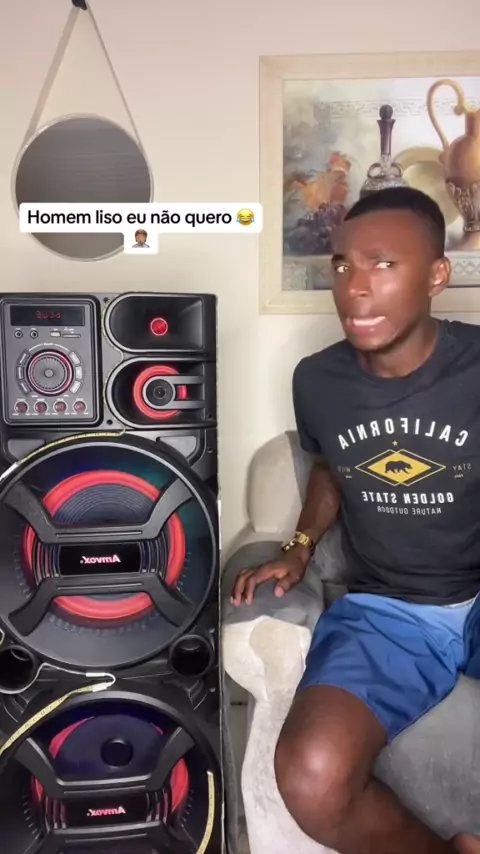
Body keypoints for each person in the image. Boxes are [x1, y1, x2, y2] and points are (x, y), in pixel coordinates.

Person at [231, 186, 480, 854]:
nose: (355, 287)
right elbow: (329, 466)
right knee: (312, 776)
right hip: (390, 613)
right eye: (342, 265)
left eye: (383, 264)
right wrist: (300, 547)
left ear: (436, 276)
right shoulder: (318, 380)